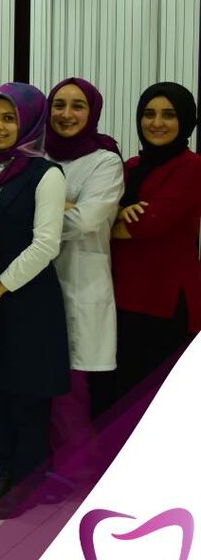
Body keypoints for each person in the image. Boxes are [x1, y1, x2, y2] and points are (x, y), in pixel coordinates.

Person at [0, 83, 69, 518]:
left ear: (29, 122)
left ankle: (29, 481)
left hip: (28, 301)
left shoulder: (46, 174)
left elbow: (45, 245)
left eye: (8, 118)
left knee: (28, 398)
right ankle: (5, 474)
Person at [42, 78, 122, 488]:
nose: (66, 114)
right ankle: (47, 467)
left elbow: (86, 220)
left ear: (92, 112)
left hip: (79, 285)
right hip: (36, 284)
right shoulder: (36, 152)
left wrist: (39, 211)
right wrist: (63, 206)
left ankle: (76, 473)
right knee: (42, 384)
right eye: (59, 105)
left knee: (70, 389)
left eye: (78, 106)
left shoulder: (105, 161)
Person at [108, 82, 201, 409]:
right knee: (122, 397)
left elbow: (148, 224)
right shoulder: (132, 167)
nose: (156, 122)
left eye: (169, 115)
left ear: (185, 120)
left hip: (165, 303)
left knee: (159, 403)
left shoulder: (192, 167)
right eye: (149, 114)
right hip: (122, 296)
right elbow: (99, 215)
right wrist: (115, 216)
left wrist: (108, 221)